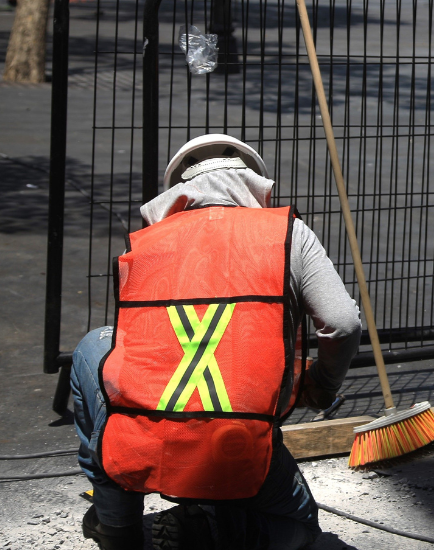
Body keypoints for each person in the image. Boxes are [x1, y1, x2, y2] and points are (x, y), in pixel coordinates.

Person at [73, 134, 363, 549]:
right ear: (253, 185)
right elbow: (342, 323)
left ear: (178, 191)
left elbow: (132, 344)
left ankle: (117, 526)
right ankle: (214, 527)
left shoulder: (146, 245)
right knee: (298, 533)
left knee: (93, 347)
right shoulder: (288, 235)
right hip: (242, 444)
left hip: (145, 439)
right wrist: (320, 385)